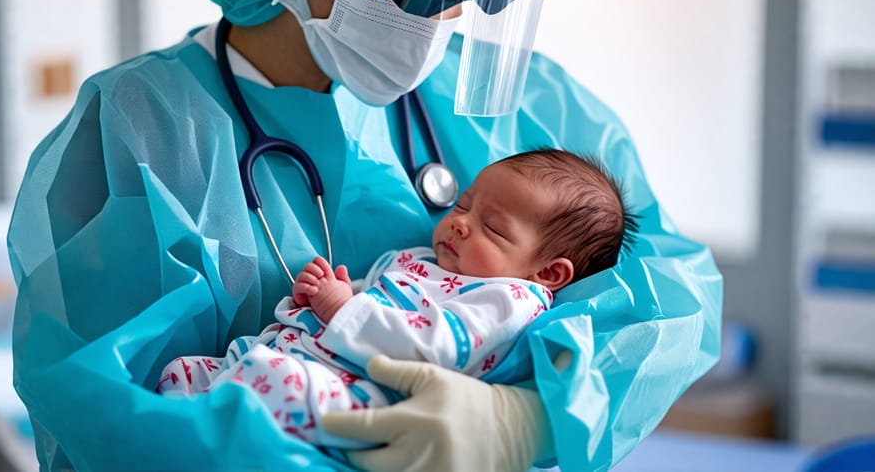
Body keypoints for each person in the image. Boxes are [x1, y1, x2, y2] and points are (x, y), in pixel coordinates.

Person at [6, 0, 723, 470]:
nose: (449, 14)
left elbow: (668, 295)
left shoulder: (529, 108)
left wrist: (526, 421)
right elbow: (109, 413)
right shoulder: (144, 128)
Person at [157, 149, 637, 449]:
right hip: (302, 353)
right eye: (464, 203)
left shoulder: (509, 299)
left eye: (491, 227)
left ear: (548, 272)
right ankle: (182, 440)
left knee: (269, 382)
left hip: (367, 395)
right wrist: (314, 298)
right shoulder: (419, 259)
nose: (460, 221)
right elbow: (363, 298)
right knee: (182, 371)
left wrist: (341, 307)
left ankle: (210, 439)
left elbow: (436, 347)